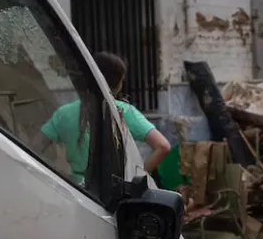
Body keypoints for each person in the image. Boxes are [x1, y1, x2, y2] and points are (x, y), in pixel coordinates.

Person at [42, 52, 170, 186]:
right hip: (112, 192)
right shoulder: (123, 111)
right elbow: (163, 146)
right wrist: (136, 178)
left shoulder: (64, 113)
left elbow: (37, 146)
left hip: (75, 190)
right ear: (119, 82)